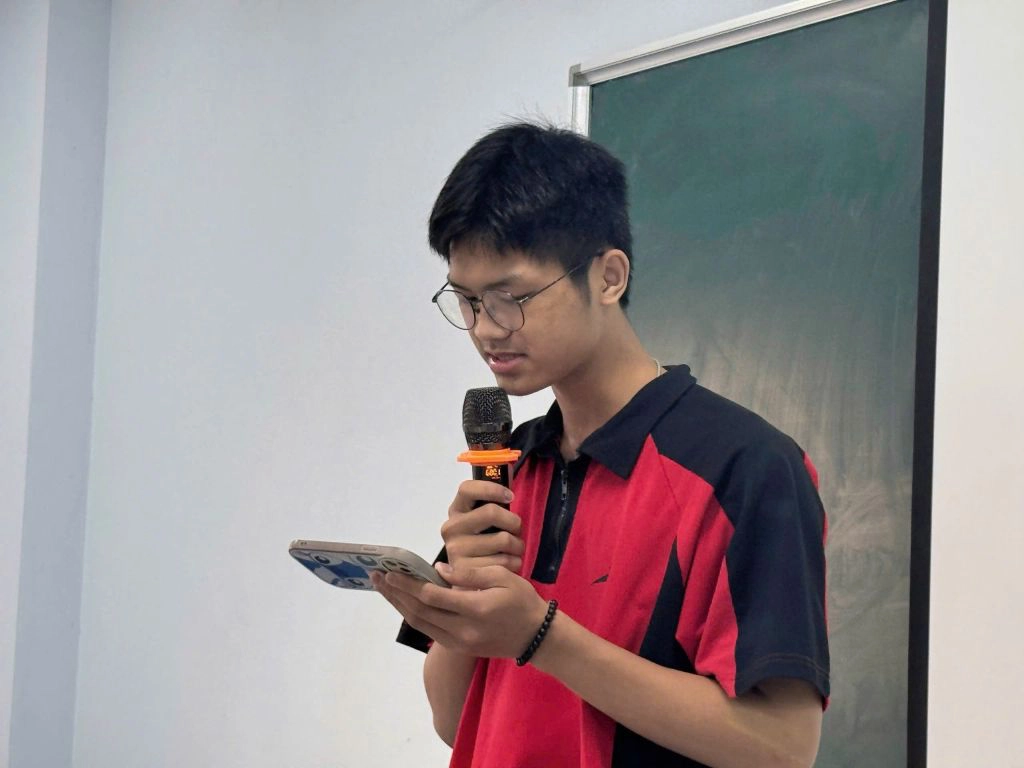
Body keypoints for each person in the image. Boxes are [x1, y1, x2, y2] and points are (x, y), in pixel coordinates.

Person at [371, 121, 829, 768]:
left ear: (609, 277)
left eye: (509, 297)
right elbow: (455, 722)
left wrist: (540, 636)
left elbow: (783, 746)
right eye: (467, 299)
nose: (485, 329)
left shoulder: (744, 467)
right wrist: (460, 607)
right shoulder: (509, 466)